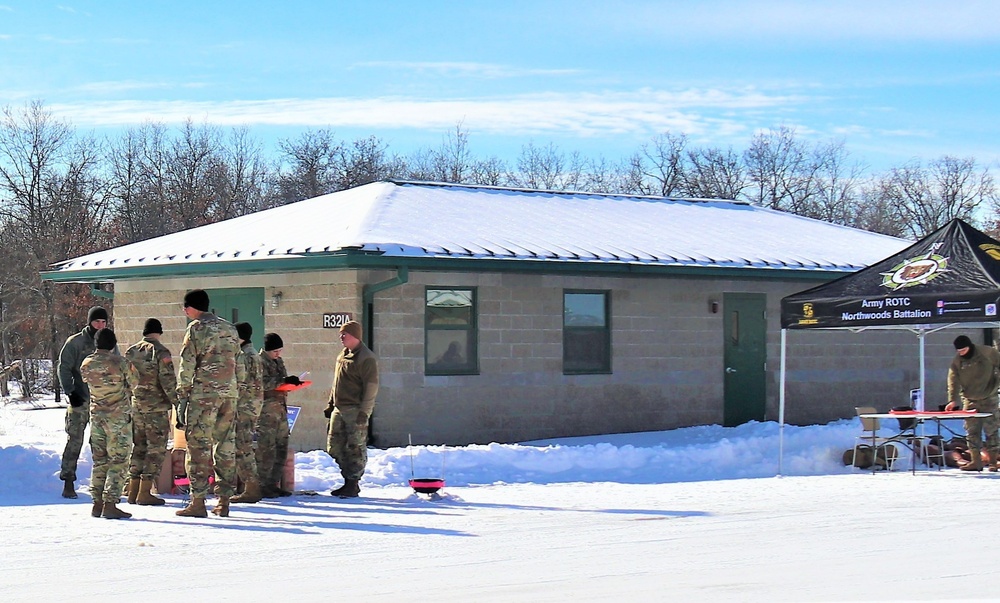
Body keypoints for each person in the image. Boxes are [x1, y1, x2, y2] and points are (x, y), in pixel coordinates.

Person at [175, 289, 242, 518]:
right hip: (229, 394)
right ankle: (223, 501)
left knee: (198, 447)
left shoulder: (196, 329)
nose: (184, 312)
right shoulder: (229, 328)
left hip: (205, 395)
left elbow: (187, 363)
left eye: (185, 307)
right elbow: (238, 362)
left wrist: (182, 396)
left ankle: (198, 501)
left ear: (192, 307)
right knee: (225, 445)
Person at [57, 306, 114, 499]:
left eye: (103, 322)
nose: (100, 325)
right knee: (75, 441)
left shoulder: (108, 342)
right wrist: (70, 392)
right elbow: (63, 368)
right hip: (80, 400)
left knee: (100, 443)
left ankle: (100, 484)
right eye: (97, 321)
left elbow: (116, 366)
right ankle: (68, 481)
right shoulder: (76, 342)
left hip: (102, 402)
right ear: (90, 322)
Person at [80, 328, 136, 519]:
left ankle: (97, 503)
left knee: (100, 460)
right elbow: (134, 383)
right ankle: (111, 503)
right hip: (117, 418)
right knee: (119, 460)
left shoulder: (86, 363)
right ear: (113, 344)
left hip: (97, 418)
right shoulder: (120, 363)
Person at [123, 318, 178, 506]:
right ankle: (145, 492)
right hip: (156, 409)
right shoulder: (161, 352)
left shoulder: (131, 351)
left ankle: (132, 490)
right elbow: (168, 381)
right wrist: (178, 403)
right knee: (155, 449)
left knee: (139, 447)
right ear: (159, 332)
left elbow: (126, 380)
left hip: (136, 406)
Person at [325, 320, 379, 498]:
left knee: (355, 447)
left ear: (355, 336)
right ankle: (346, 478)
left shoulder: (366, 358)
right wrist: (331, 402)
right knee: (335, 446)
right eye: (341, 334)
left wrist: (365, 412)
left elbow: (371, 386)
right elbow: (336, 381)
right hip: (339, 409)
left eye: (344, 334)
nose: (341, 337)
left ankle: (353, 482)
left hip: (355, 409)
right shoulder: (342, 355)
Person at [945, 334, 1000, 471]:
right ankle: (976, 461)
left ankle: (993, 462)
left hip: (989, 397)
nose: (961, 353)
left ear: (969, 346)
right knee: (971, 431)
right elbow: (953, 381)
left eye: (963, 350)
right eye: (959, 351)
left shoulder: (987, 352)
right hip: (970, 399)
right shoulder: (957, 361)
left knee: (991, 430)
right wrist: (952, 400)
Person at [257, 332, 298, 498]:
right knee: (267, 449)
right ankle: (262, 484)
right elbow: (262, 383)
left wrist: (291, 382)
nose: (278, 354)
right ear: (267, 350)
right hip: (267, 411)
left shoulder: (278, 361)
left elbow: (282, 379)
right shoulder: (260, 362)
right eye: (275, 351)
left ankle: (273, 483)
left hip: (281, 409)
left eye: (280, 351)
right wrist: (283, 381)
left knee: (281, 447)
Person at [231, 322, 264, 504]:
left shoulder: (244, 356)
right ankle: (249, 486)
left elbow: (241, 384)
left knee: (242, 447)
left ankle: (251, 488)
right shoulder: (254, 354)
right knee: (244, 446)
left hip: (244, 407)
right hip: (252, 406)